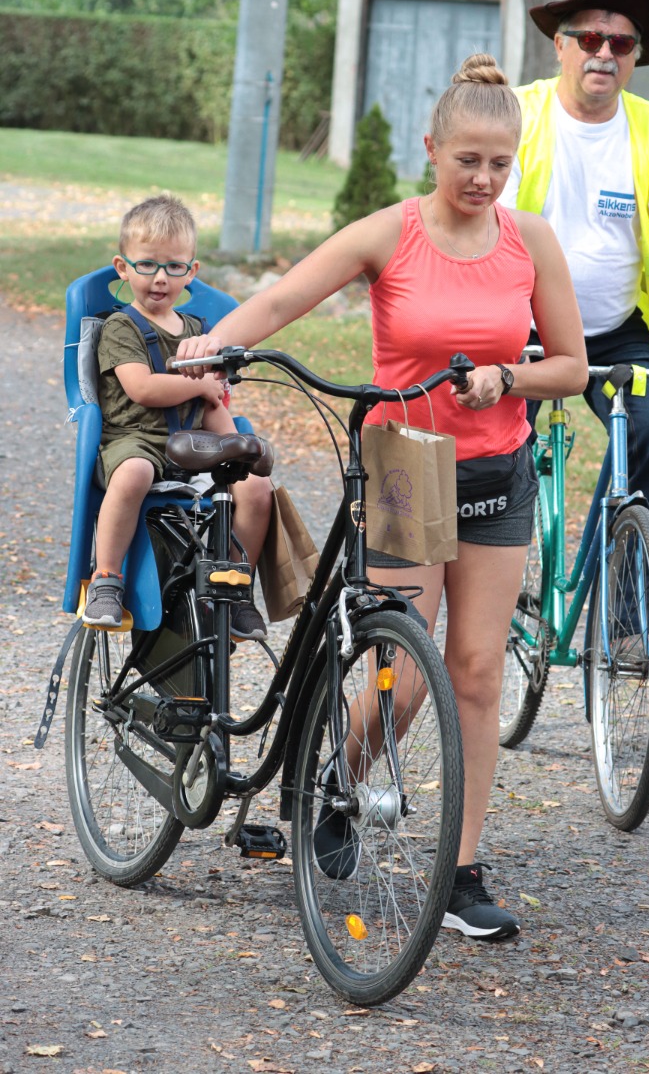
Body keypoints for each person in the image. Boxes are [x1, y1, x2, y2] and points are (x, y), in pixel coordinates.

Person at [175, 54, 587, 940]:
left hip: (495, 469)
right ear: (432, 150)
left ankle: (464, 870)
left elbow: (571, 367)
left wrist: (509, 378)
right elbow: (287, 295)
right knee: (402, 676)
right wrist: (216, 344)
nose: (482, 178)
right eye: (466, 159)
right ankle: (338, 776)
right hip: (405, 460)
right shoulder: (389, 234)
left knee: (475, 675)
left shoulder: (530, 241)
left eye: (499, 164)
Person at [500, 0, 649, 674]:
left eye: (621, 44)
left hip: (619, 332)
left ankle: (628, 629)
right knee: (494, 456)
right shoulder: (519, 113)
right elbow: (484, 229)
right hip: (521, 328)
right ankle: (495, 599)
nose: (604, 52)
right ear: (560, 46)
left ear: (634, 60)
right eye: (590, 37)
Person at [83, 194, 272, 638]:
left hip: (190, 446)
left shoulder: (198, 335)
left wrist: (235, 450)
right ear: (123, 267)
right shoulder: (121, 327)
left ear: (192, 272)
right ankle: (107, 579)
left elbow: (212, 407)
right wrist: (201, 385)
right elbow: (142, 388)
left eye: (174, 266)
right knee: (132, 474)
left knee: (258, 489)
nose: (160, 278)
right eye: (147, 265)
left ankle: (235, 586)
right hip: (134, 440)